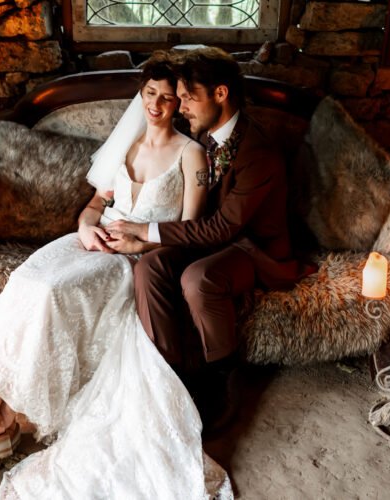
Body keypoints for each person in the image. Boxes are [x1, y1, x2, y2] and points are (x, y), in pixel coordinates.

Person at [0, 51, 233, 498]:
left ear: (179, 104)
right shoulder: (125, 145)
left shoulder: (192, 157)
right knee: (25, 283)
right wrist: (88, 228)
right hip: (91, 241)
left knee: (51, 291)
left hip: (132, 258)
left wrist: (138, 244)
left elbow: (189, 231)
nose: (157, 105)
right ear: (140, 95)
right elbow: (93, 207)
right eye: (150, 94)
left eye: (168, 98)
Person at [107, 47, 304, 431]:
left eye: (188, 98)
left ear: (221, 94)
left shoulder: (258, 152)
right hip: (211, 241)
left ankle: (221, 378)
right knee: (151, 265)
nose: (180, 109)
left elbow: (223, 229)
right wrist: (143, 240)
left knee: (197, 279)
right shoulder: (205, 137)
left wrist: (144, 231)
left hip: (252, 250)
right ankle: (170, 373)